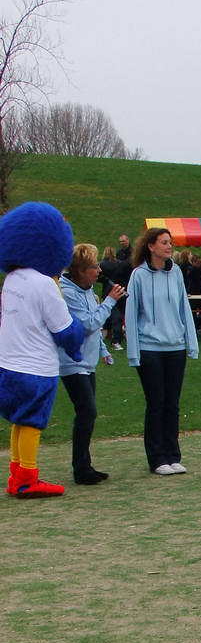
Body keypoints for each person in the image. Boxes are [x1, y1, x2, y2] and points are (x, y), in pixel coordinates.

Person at [0, 201, 86, 497]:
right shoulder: (44, 284)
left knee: (19, 420)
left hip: (8, 364)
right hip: (36, 367)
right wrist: (78, 336)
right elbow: (65, 329)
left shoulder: (12, 278)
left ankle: (16, 474)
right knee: (32, 422)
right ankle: (27, 478)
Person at [125, 226, 199, 475]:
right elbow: (131, 313)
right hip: (150, 349)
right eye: (164, 242)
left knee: (172, 404)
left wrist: (191, 343)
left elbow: (183, 308)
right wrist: (133, 352)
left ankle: (173, 455)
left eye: (170, 242)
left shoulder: (176, 272)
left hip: (175, 348)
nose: (169, 246)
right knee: (156, 403)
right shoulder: (138, 275)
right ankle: (157, 458)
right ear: (151, 246)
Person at [58, 244, 124, 485]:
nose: (99, 270)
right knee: (87, 411)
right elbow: (88, 323)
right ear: (80, 270)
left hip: (87, 362)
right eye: (94, 267)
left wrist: (103, 351)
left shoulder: (86, 289)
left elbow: (94, 328)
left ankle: (84, 465)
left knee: (87, 413)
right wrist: (109, 301)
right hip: (71, 360)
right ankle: (81, 469)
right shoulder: (67, 293)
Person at [99, 243, 130, 350]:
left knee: (110, 314)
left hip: (108, 291)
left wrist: (105, 280)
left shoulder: (102, 265)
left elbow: (98, 278)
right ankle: (114, 338)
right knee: (117, 315)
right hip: (120, 291)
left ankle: (108, 336)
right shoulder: (120, 264)